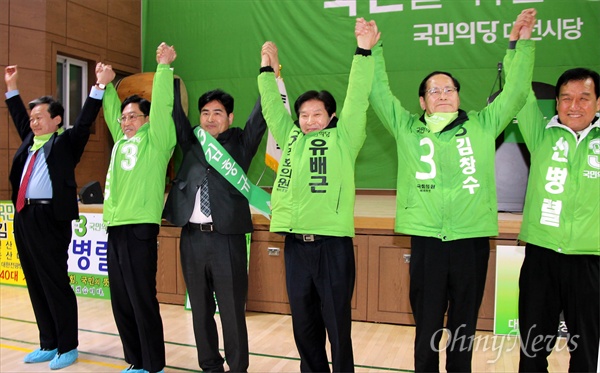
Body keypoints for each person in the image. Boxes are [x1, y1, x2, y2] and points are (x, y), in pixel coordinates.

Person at [362, 9, 536, 372]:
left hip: (471, 241)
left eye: (449, 89)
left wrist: (519, 46)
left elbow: (517, 91)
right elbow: (378, 93)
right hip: (426, 241)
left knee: (463, 327)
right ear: (422, 102)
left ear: (458, 96)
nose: (442, 94)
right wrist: (372, 51)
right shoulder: (407, 128)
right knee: (426, 325)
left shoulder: (483, 124)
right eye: (433, 90)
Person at [257, 19, 378, 373]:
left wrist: (363, 51)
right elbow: (271, 109)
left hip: (332, 246)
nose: (309, 120)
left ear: (331, 116)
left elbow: (357, 96)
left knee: (337, 325)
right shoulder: (291, 137)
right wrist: (267, 70)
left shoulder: (345, 137)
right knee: (303, 324)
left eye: (317, 114)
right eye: (304, 115)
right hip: (296, 244)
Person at [4, 63, 110, 369]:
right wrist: (12, 87)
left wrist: (99, 87)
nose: (34, 122)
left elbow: (87, 117)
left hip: (51, 218)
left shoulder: (66, 142)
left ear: (57, 120)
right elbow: (19, 116)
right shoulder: (29, 140)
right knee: (35, 281)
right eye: (33, 117)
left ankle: (68, 346)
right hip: (24, 216)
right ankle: (47, 343)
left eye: (40, 117)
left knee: (54, 281)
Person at [162, 88, 267, 372]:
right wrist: (166, 71)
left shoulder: (242, 142)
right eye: (205, 113)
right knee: (201, 309)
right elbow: (174, 112)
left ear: (230, 117)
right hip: (191, 237)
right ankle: (209, 365)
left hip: (227, 238)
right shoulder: (192, 140)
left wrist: (269, 75)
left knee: (232, 311)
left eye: (217, 113)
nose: (210, 118)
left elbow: (260, 117)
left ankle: (237, 367)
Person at [514, 67, 599, 372]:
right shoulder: (541, 134)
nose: (574, 106)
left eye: (584, 98)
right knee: (533, 351)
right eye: (566, 98)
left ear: (598, 103)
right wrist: (519, 46)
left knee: (587, 353)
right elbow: (520, 90)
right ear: (556, 103)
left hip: (590, 262)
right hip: (541, 257)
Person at [101, 42, 177, 373]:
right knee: (120, 300)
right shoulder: (121, 140)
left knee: (141, 299)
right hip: (115, 226)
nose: (126, 121)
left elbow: (162, 107)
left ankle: (153, 364)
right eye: (124, 116)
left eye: (133, 116)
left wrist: (163, 68)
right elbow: (109, 113)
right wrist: (105, 85)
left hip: (140, 226)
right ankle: (135, 360)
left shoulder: (157, 140)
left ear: (146, 120)